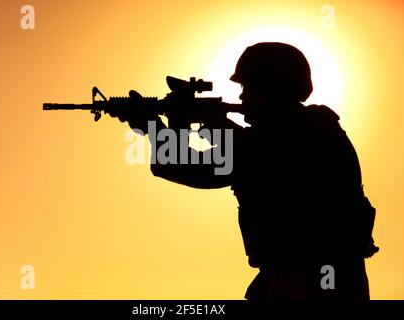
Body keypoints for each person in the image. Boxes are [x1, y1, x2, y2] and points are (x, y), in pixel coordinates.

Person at [121, 42, 378, 300]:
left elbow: (180, 165)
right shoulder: (319, 129)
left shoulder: (282, 140)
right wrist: (170, 124)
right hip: (322, 279)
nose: (242, 97)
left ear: (272, 88)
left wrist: (160, 125)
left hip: (304, 283)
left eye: (248, 88)